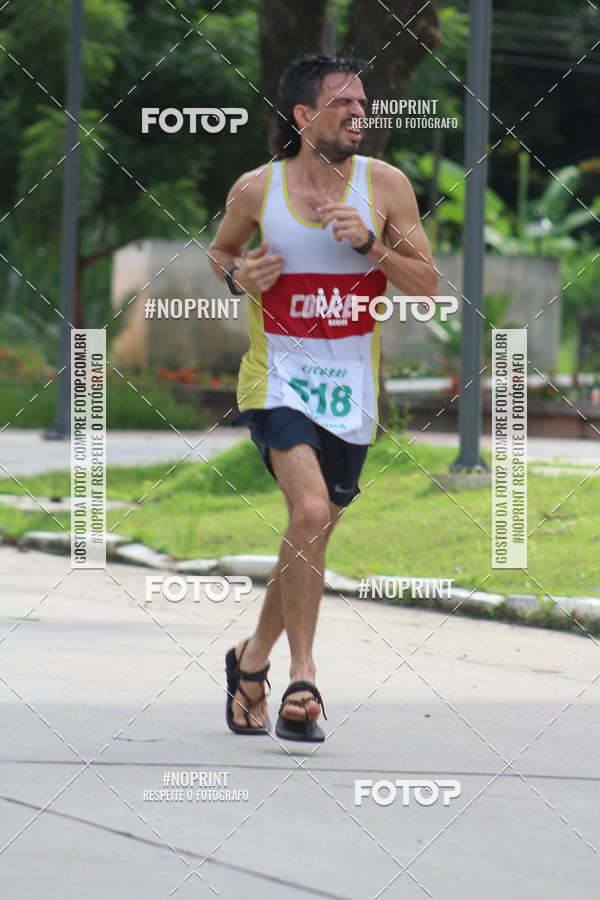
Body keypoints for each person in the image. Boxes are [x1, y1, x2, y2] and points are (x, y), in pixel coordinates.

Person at [209, 54, 438, 742]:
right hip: (276, 377)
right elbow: (222, 254)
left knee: (311, 532)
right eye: (343, 102)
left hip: (351, 391)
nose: (359, 112)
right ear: (304, 116)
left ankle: (250, 661)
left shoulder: (386, 186)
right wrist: (240, 277)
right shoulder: (257, 189)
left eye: (363, 102)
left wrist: (369, 244)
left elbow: (427, 285)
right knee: (309, 511)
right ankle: (302, 679)